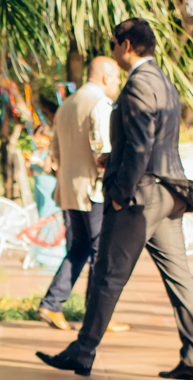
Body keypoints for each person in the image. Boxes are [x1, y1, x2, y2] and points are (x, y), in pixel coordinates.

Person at [36, 19, 193, 379]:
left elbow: (143, 144)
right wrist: (112, 159)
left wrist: (119, 192)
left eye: (115, 44)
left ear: (126, 44)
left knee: (107, 274)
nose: (114, 51)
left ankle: (82, 352)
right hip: (168, 192)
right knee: (179, 278)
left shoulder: (139, 84)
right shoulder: (164, 82)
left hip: (141, 192)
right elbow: (150, 141)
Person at [36, 57, 129, 333]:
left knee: (79, 248)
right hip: (93, 192)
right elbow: (102, 151)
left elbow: (54, 151)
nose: (118, 84)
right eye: (116, 78)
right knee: (100, 252)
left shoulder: (65, 106)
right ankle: (97, 316)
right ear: (105, 78)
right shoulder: (99, 104)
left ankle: (52, 304)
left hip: (69, 190)